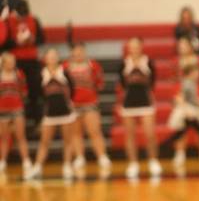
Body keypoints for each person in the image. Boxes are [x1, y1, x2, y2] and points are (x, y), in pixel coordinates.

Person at [164, 37, 199, 176]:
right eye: (180, 45)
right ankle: (180, 153)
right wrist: (177, 97)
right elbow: (173, 80)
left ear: (191, 46)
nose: (182, 48)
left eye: (185, 45)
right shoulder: (175, 62)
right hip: (181, 93)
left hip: (197, 92)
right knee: (182, 126)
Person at [64, 42, 112, 179]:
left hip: (90, 103)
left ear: (85, 52)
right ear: (72, 53)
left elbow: (99, 83)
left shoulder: (93, 65)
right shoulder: (65, 67)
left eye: (81, 51)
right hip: (72, 105)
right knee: (76, 133)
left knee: (94, 131)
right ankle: (79, 157)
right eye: (76, 51)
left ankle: (102, 156)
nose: (78, 54)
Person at [30, 48, 77, 181]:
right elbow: (37, 94)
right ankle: (37, 167)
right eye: (49, 56)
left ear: (58, 58)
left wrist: (68, 103)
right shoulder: (41, 75)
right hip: (49, 113)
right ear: (45, 59)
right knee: (44, 142)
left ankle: (67, 166)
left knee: (68, 141)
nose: (52, 58)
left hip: (66, 113)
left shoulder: (64, 72)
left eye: (54, 56)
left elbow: (72, 90)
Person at [119, 37, 160, 179]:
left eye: (137, 45)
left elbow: (153, 81)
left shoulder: (148, 62)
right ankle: (133, 163)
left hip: (146, 101)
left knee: (150, 134)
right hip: (129, 102)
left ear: (141, 46)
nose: (134, 48)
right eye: (131, 46)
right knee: (130, 135)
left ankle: (153, 161)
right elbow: (122, 83)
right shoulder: (124, 63)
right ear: (128, 47)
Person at [0, 52, 32, 180]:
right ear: (3, 62)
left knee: (20, 136)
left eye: (13, 61)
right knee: (4, 137)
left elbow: (24, 91)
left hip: (17, 109)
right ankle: (2, 161)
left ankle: (26, 161)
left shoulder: (19, 74)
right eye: (9, 61)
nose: (12, 63)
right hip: (2, 110)